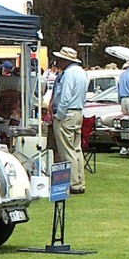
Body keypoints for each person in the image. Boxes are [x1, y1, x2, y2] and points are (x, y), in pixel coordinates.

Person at [49, 46, 87, 194]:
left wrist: (58, 115)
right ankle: (79, 181)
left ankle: (72, 183)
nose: (57, 61)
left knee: (66, 150)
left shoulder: (69, 74)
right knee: (76, 149)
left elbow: (65, 97)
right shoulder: (81, 72)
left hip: (67, 114)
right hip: (77, 112)